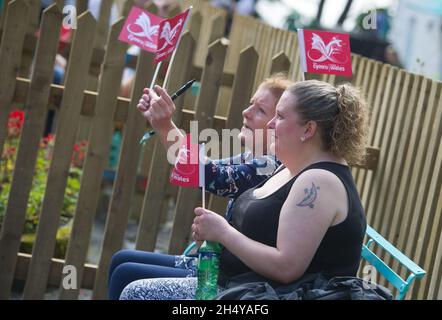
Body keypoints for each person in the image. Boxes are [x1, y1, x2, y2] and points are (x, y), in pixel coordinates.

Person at [119, 80, 369, 300]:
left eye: (279, 116)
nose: (270, 124)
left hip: (256, 293)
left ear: (309, 130)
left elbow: (286, 268)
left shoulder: (318, 181)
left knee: (134, 291)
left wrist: (223, 233)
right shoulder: (291, 167)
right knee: (125, 270)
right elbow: (207, 170)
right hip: (236, 282)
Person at [107, 75, 292, 299]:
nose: (246, 112)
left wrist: (166, 125)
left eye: (260, 110)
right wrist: (161, 124)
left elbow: (215, 177)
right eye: (251, 103)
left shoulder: (273, 164)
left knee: (126, 274)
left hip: (237, 282)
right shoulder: (253, 156)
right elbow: (201, 171)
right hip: (221, 267)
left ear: (278, 125)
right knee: (121, 261)